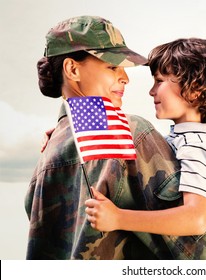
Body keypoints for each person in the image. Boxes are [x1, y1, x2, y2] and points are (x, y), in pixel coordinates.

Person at [25, 15, 180, 260]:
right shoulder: (131, 132)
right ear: (72, 69)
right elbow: (199, 243)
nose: (125, 78)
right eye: (112, 66)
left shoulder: (46, 157)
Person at [84, 38, 206, 259]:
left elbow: (197, 219)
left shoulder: (199, 145)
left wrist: (118, 218)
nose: (151, 91)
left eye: (160, 81)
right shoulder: (186, 138)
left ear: (195, 89)